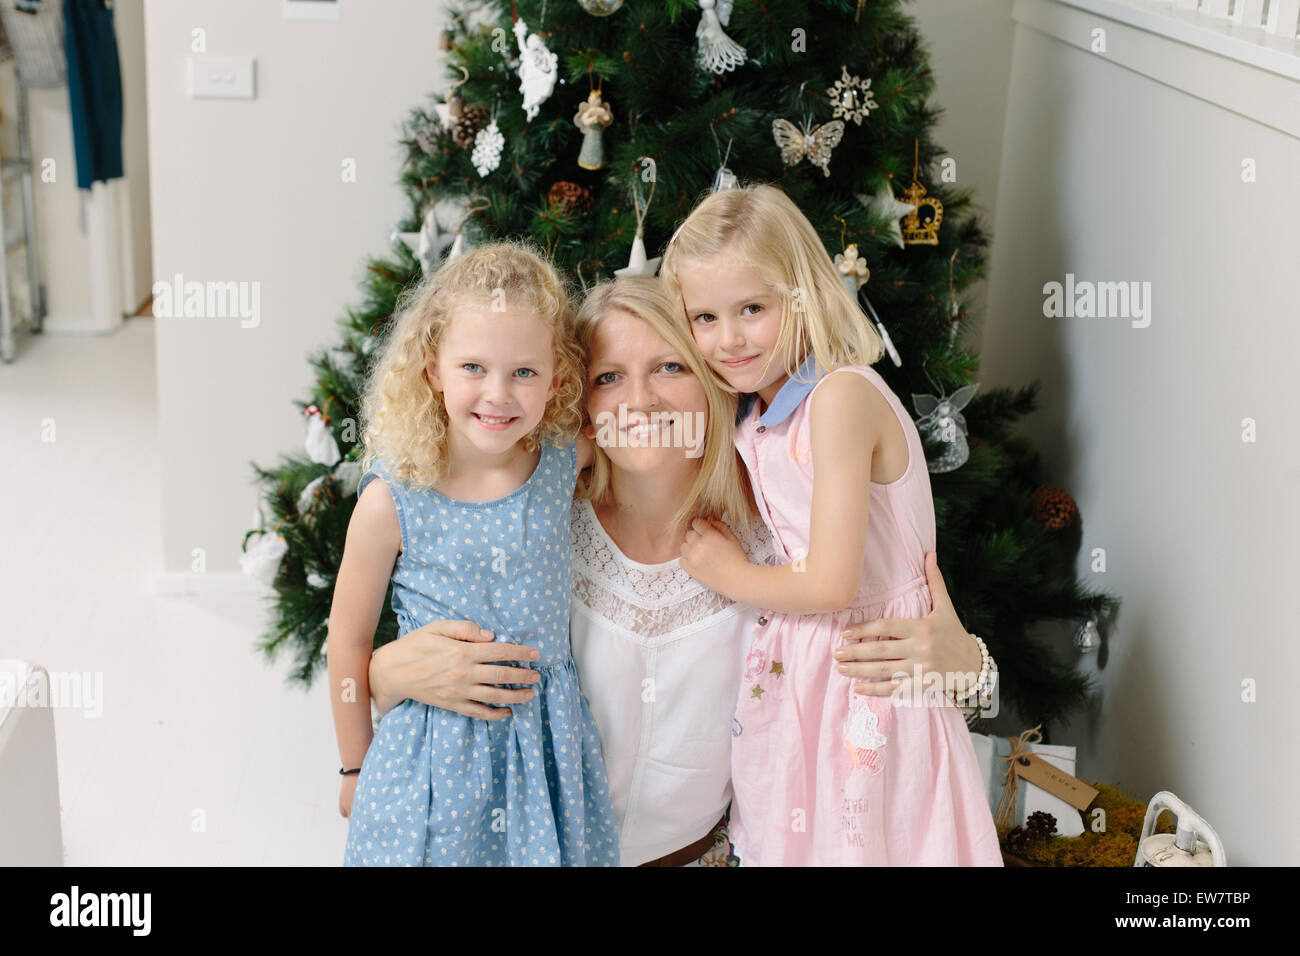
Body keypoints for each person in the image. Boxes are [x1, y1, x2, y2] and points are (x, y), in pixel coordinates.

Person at [364, 270, 991, 866]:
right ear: (576, 396)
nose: (640, 400)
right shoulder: (541, 525)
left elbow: (878, 709)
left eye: (670, 367)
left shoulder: (781, 537)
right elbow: (445, 660)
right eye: (610, 376)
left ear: (714, 380)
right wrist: (384, 673)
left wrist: (970, 669)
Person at [661, 182, 1002, 866]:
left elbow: (831, 584)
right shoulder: (756, 412)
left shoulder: (839, 397)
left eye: (752, 309)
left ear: (801, 294)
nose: (727, 339)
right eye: (704, 318)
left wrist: (732, 574)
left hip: (871, 674)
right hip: (809, 679)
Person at [326, 240, 619, 866]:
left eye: (524, 372)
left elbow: (650, 438)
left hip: (546, 750)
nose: (498, 394)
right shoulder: (393, 500)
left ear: (556, 378)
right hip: (434, 757)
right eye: (472, 368)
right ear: (432, 368)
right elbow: (347, 643)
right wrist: (354, 766)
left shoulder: (565, 461)